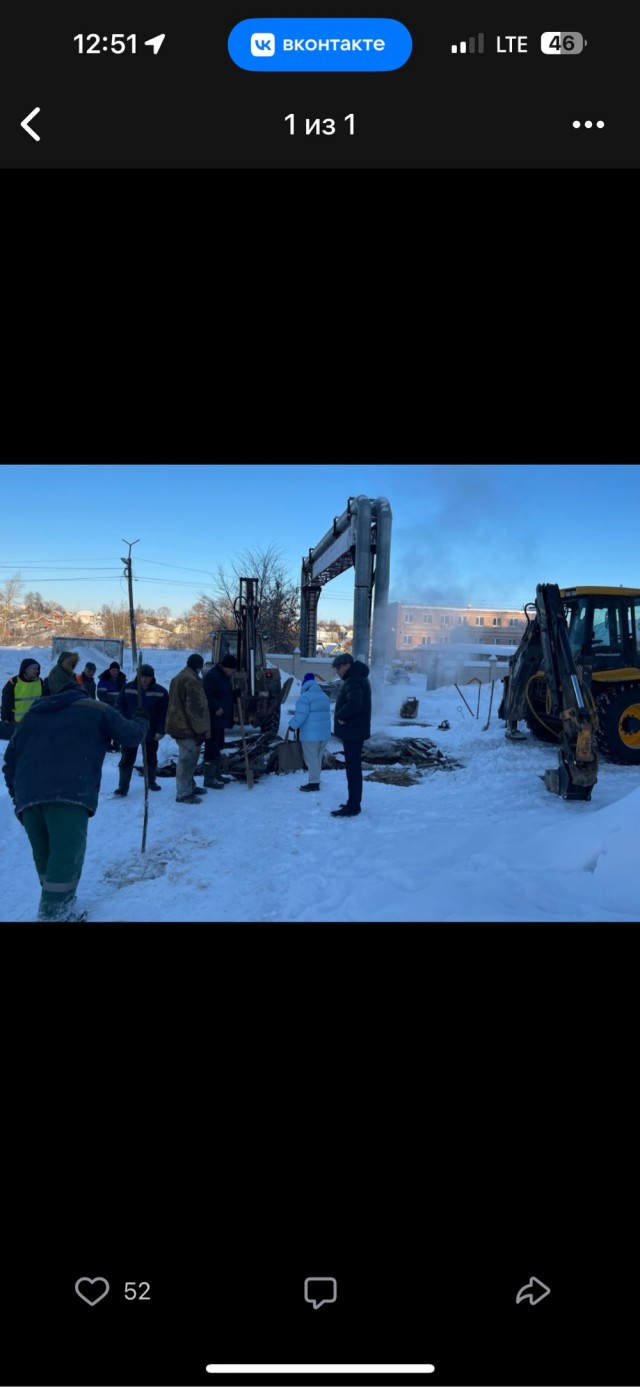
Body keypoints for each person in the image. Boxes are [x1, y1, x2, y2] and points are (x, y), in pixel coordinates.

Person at [2, 682, 149, 922]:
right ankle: (54, 915)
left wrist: (17, 796)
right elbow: (131, 736)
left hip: (28, 796)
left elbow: (9, 761)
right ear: (82, 694)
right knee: (64, 859)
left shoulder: (33, 714)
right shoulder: (96, 708)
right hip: (69, 794)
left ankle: (62, 906)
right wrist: (142, 719)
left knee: (47, 859)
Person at [114, 663, 169, 795]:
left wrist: (161, 730)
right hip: (130, 730)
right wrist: (123, 723)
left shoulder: (161, 692)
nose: (144, 679)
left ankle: (151, 781)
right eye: (142, 676)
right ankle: (123, 787)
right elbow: (118, 706)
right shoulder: (128, 688)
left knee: (151, 757)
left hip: (151, 731)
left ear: (152, 677)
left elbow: (165, 713)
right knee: (127, 759)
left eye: (147, 677)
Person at [165, 653, 211, 804]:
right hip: (188, 729)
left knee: (190, 759)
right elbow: (195, 709)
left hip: (179, 725)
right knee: (187, 760)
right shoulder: (191, 681)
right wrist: (200, 730)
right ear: (199, 666)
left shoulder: (179, 677)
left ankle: (190, 786)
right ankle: (183, 793)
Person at [330, 652, 371, 817]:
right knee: (353, 770)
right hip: (355, 731)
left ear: (347, 665)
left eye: (339, 668)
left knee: (353, 771)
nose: (338, 671)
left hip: (353, 732)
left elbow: (355, 704)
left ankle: (353, 806)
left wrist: (341, 716)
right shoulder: (357, 677)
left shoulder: (354, 679)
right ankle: (353, 802)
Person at [288, 672, 331, 791]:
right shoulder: (324, 696)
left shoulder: (305, 697)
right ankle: (316, 779)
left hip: (311, 736)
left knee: (310, 758)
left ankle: (314, 783)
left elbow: (301, 716)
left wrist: (292, 726)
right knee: (317, 757)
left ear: (304, 684)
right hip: (324, 735)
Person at [202, 654, 238, 788]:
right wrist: (216, 707)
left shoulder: (223, 677)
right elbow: (207, 693)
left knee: (217, 747)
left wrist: (234, 694)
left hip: (221, 719)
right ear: (226, 667)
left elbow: (223, 693)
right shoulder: (213, 676)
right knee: (211, 748)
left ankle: (216, 774)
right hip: (213, 719)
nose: (233, 672)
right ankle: (208, 779)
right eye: (232, 669)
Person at [1, 658, 49, 737]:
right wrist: (5, 719)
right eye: (34, 669)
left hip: (35, 721)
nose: (37, 671)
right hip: (16, 723)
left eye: (37, 669)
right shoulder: (13, 683)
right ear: (25, 669)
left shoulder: (40, 682)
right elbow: (6, 702)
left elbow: (45, 700)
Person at [97, 660, 127, 751]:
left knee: (118, 727)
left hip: (119, 709)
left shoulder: (122, 680)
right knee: (108, 728)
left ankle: (117, 745)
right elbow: (102, 696)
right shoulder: (104, 681)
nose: (115, 672)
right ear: (110, 670)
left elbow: (125, 694)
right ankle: (107, 745)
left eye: (117, 670)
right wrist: (118, 697)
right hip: (108, 708)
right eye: (113, 670)